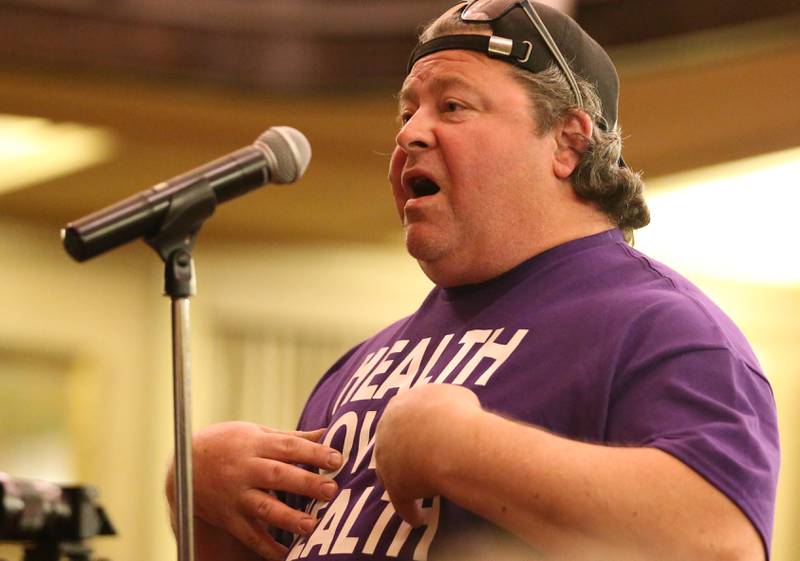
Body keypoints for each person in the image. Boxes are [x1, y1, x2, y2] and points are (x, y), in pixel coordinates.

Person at [166, 1, 780, 560]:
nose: (408, 134)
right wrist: (199, 502)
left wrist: (461, 450)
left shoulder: (662, 328)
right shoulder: (360, 363)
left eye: (453, 106)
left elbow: (719, 542)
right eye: (406, 112)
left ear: (567, 141)